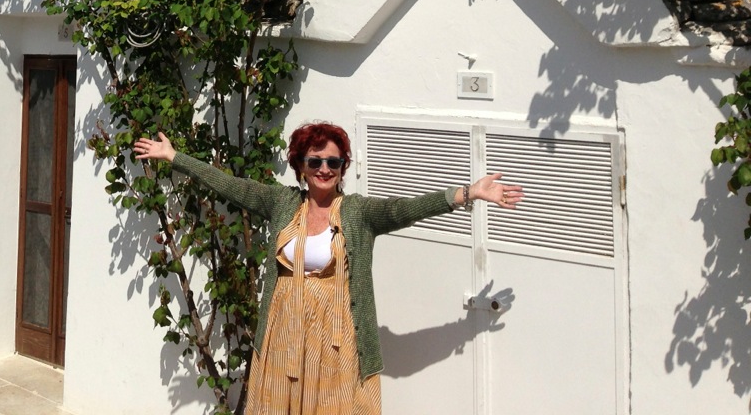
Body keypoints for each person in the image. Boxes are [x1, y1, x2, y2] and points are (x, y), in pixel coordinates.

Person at [133, 122, 523, 415]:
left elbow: (405, 209)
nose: (324, 168)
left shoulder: (358, 213)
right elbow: (229, 185)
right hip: (284, 337)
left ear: (343, 166)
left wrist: (468, 193)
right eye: (315, 161)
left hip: (335, 343)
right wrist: (174, 158)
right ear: (301, 166)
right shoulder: (283, 203)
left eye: (333, 162)